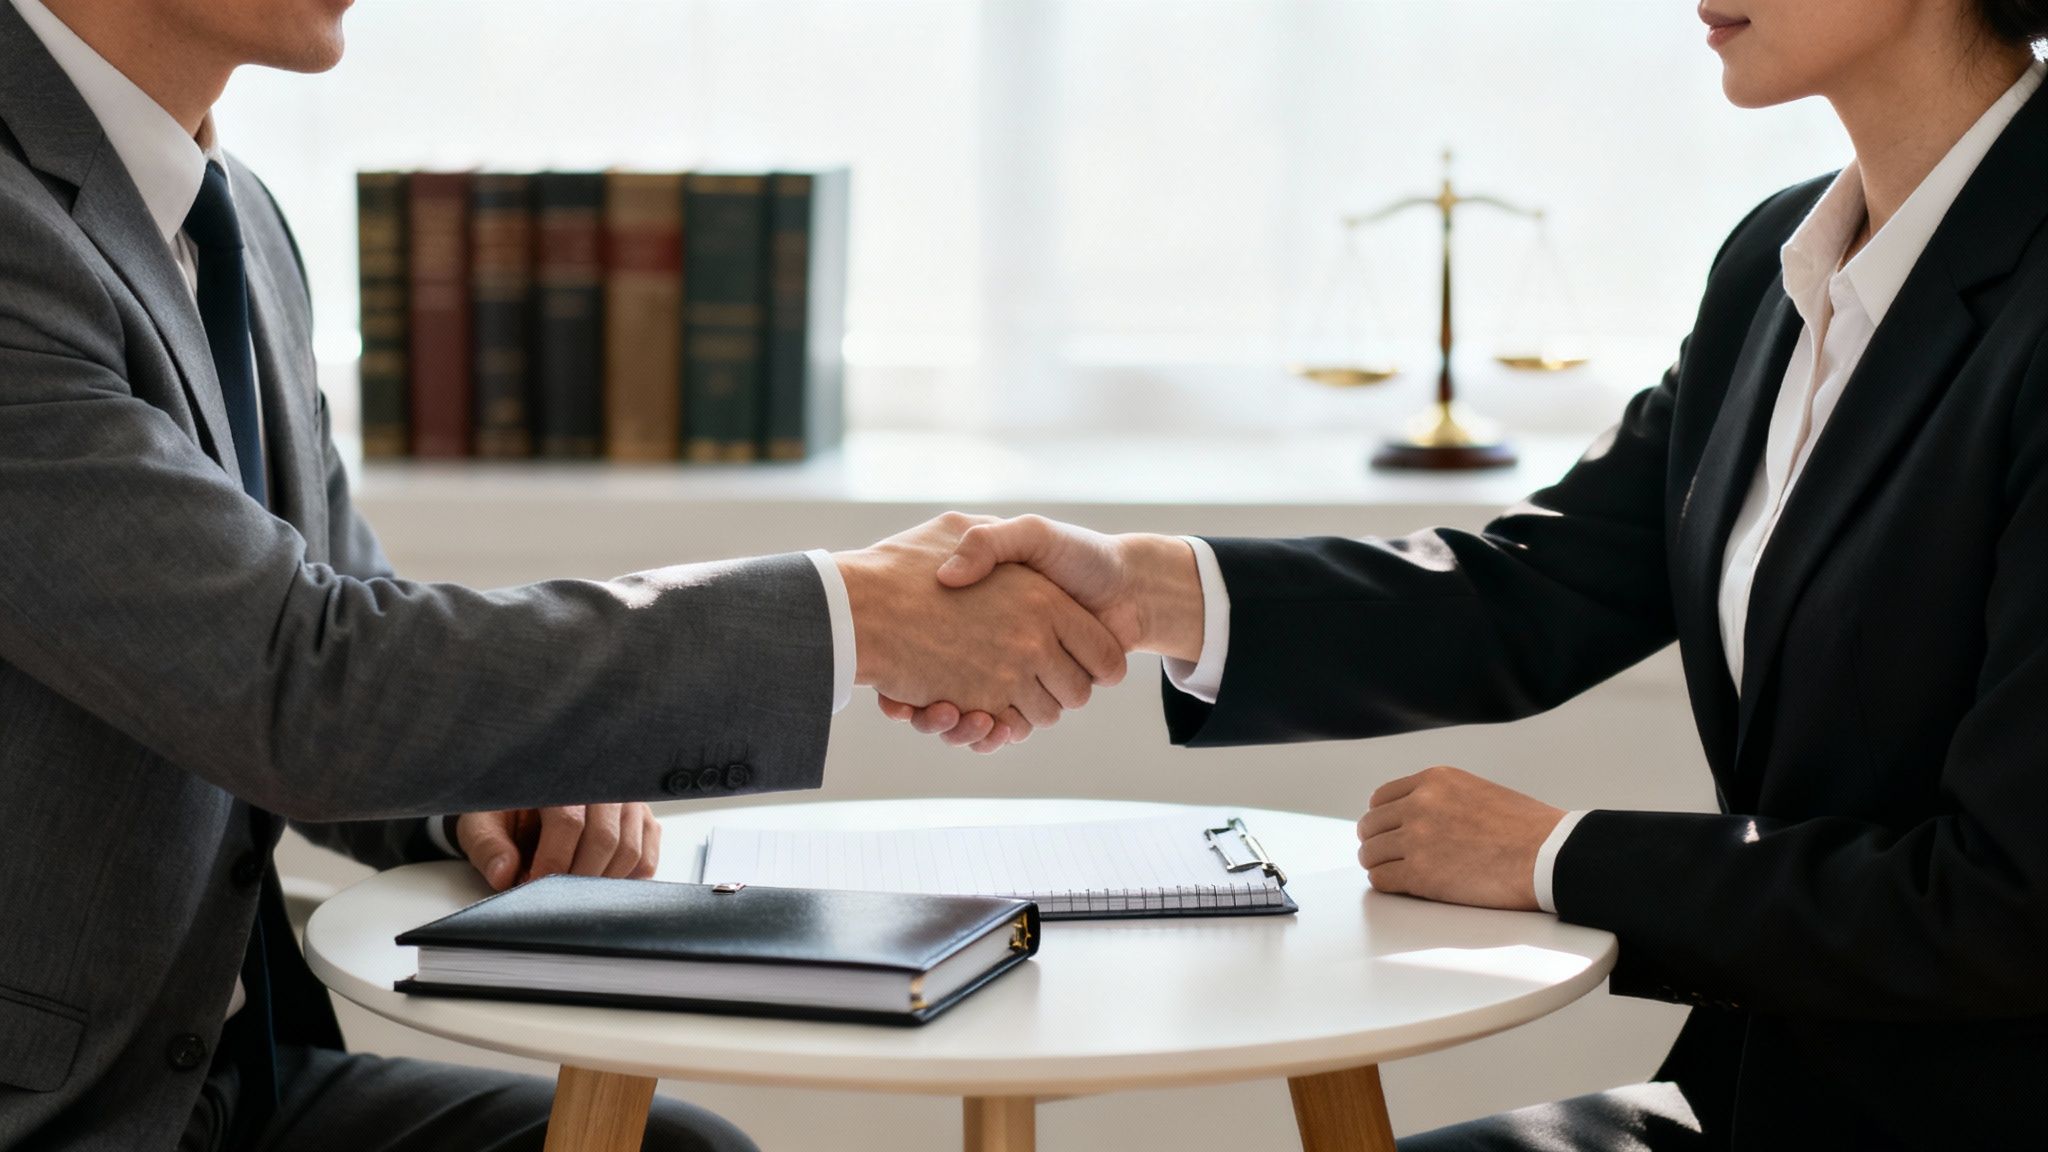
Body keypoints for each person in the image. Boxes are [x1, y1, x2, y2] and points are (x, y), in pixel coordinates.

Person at [889, 1, 2048, 1147]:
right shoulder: (1776, 259)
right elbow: (1538, 585)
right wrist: (1143, 590)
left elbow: (2010, 906)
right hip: (1774, 1091)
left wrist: (1551, 857)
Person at [0, 1, 1124, 1149]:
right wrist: (854, 617)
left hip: (220, 1085)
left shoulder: (231, 216)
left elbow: (334, 614)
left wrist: (486, 791)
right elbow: (304, 682)